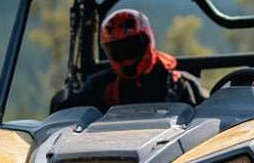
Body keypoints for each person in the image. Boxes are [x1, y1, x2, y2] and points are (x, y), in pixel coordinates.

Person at [53, 9, 203, 112]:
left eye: (131, 47)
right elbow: (68, 116)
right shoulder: (98, 87)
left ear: (147, 41)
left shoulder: (180, 84)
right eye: (117, 50)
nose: (126, 57)